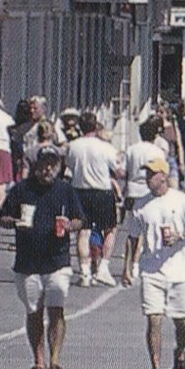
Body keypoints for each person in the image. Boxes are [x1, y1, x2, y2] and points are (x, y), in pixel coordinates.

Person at [0, 145, 83, 369]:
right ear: (35, 165)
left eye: (52, 164)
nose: (47, 169)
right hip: (28, 262)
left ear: (58, 166)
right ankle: (39, 361)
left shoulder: (65, 190)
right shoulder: (22, 189)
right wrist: (13, 222)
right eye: (43, 164)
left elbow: (79, 219)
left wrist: (69, 226)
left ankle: (55, 361)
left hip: (58, 260)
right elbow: (2, 217)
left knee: (56, 308)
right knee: (34, 311)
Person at [121, 158, 185, 369]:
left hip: (180, 270)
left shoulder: (181, 200)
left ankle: (179, 351)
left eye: (153, 174)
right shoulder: (140, 205)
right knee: (154, 319)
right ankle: (155, 368)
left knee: (182, 323)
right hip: (152, 270)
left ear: (163, 176)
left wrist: (180, 236)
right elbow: (132, 238)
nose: (148, 178)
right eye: (146, 174)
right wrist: (127, 267)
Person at [65, 114, 123, 287]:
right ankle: (103, 268)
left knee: (83, 232)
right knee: (110, 229)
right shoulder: (105, 147)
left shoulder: (72, 146)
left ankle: (84, 272)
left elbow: (68, 165)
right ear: (96, 127)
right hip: (102, 191)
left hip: (79, 191)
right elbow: (118, 170)